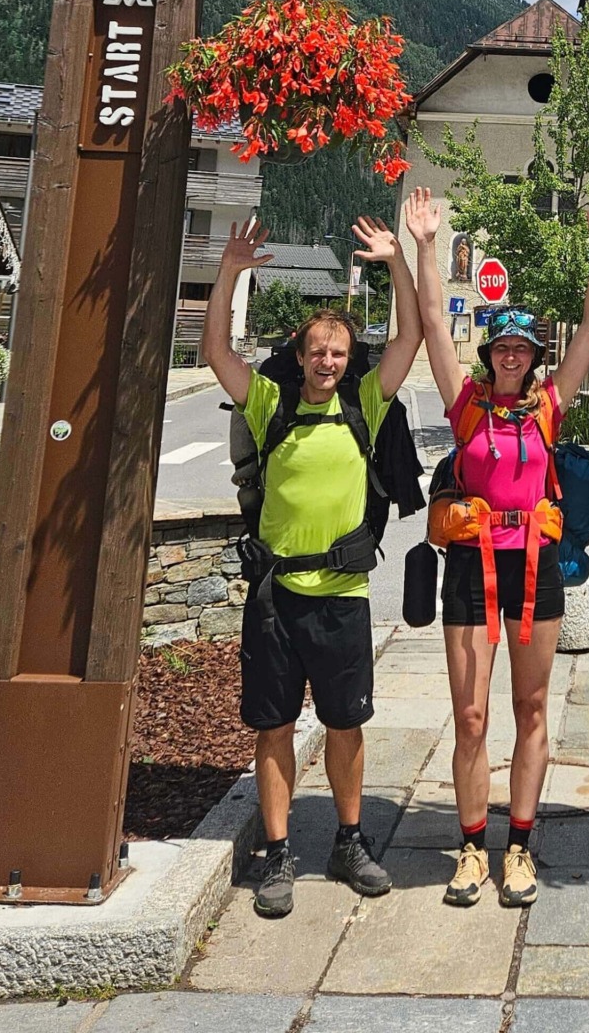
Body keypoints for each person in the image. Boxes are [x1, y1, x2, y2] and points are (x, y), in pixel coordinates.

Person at [405, 186, 589, 910]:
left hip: (535, 571)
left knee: (532, 708)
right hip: (471, 568)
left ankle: (520, 849)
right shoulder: (466, 407)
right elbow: (436, 323)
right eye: (501, 347)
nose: (509, 357)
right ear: (491, 353)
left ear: (532, 358)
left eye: (520, 349)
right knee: (471, 717)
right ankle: (471, 846)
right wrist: (428, 247)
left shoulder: (547, 409)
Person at [201, 215, 422, 919]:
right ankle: (276, 851)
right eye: (318, 351)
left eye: (338, 352)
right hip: (275, 595)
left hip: (343, 594)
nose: (328, 361)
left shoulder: (364, 402)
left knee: (345, 725)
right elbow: (214, 349)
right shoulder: (270, 404)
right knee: (272, 727)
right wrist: (231, 271)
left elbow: (412, 338)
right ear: (299, 355)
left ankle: (349, 841)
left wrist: (396, 263)